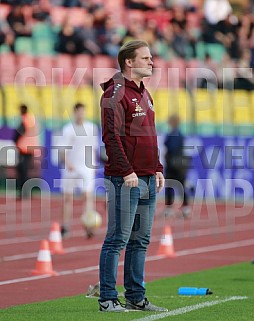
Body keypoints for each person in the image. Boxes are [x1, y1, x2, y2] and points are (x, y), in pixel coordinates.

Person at [98, 40, 167, 312]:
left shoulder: (145, 93)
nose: (152, 62)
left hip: (148, 178)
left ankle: (136, 297)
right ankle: (106, 298)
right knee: (117, 239)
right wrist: (127, 171)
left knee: (140, 241)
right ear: (129, 61)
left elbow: (150, 135)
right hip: (125, 179)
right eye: (146, 58)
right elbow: (110, 138)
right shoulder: (114, 94)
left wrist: (158, 167)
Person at [59, 103, 98, 238]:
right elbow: (62, 150)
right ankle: (65, 226)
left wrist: (93, 164)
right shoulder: (68, 129)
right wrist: (67, 163)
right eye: (78, 112)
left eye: (83, 111)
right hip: (71, 167)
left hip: (86, 167)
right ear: (74, 112)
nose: (81, 114)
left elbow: (93, 148)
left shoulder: (91, 128)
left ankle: (89, 225)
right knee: (68, 197)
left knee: (87, 196)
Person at [164, 114, 191, 218]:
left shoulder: (174, 134)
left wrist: (168, 154)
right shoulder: (179, 133)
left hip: (174, 164)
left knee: (172, 185)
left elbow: (171, 147)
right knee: (180, 186)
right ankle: (185, 208)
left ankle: (171, 208)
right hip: (179, 164)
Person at [13, 104, 39, 199]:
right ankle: (26, 192)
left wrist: (15, 141)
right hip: (30, 148)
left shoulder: (24, 120)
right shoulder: (31, 119)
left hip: (24, 149)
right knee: (25, 171)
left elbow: (19, 133)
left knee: (22, 171)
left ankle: (24, 192)